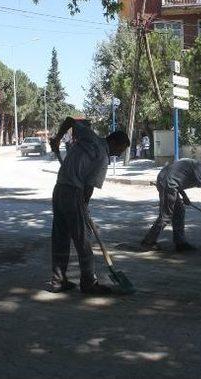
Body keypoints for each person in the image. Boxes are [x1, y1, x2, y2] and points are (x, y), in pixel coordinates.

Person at [48, 117, 130, 294]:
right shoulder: (102, 158)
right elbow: (88, 189)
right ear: (115, 142)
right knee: (84, 239)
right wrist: (84, 208)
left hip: (59, 189)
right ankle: (88, 283)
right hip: (74, 192)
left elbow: (70, 120)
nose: (120, 153)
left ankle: (57, 281)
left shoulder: (89, 136)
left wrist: (57, 138)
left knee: (60, 237)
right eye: (121, 149)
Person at [141, 158, 201, 252]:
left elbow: (177, 177)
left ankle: (180, 243)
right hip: (168, 183)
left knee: (179, 211)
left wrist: (184, 196)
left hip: (166, 179)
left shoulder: (197, 165)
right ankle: (148, 242)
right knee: (166, 215)